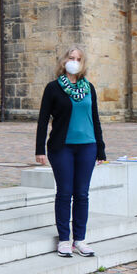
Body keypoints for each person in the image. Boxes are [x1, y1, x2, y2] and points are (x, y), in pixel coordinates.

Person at [35, 45, 106, 257]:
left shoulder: (89, 88)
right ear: (64, 61)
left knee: (82, 194)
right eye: (71, 57)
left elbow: (95, 119)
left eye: (78, 58)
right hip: (62, 147)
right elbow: (42, 120)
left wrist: (101, 149)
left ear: (83, 63)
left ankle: (80, 239)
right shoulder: (53, 88)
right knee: (65, 193)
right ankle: (64, 240)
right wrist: (39, 149)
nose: (74, 61)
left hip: (88, 146)